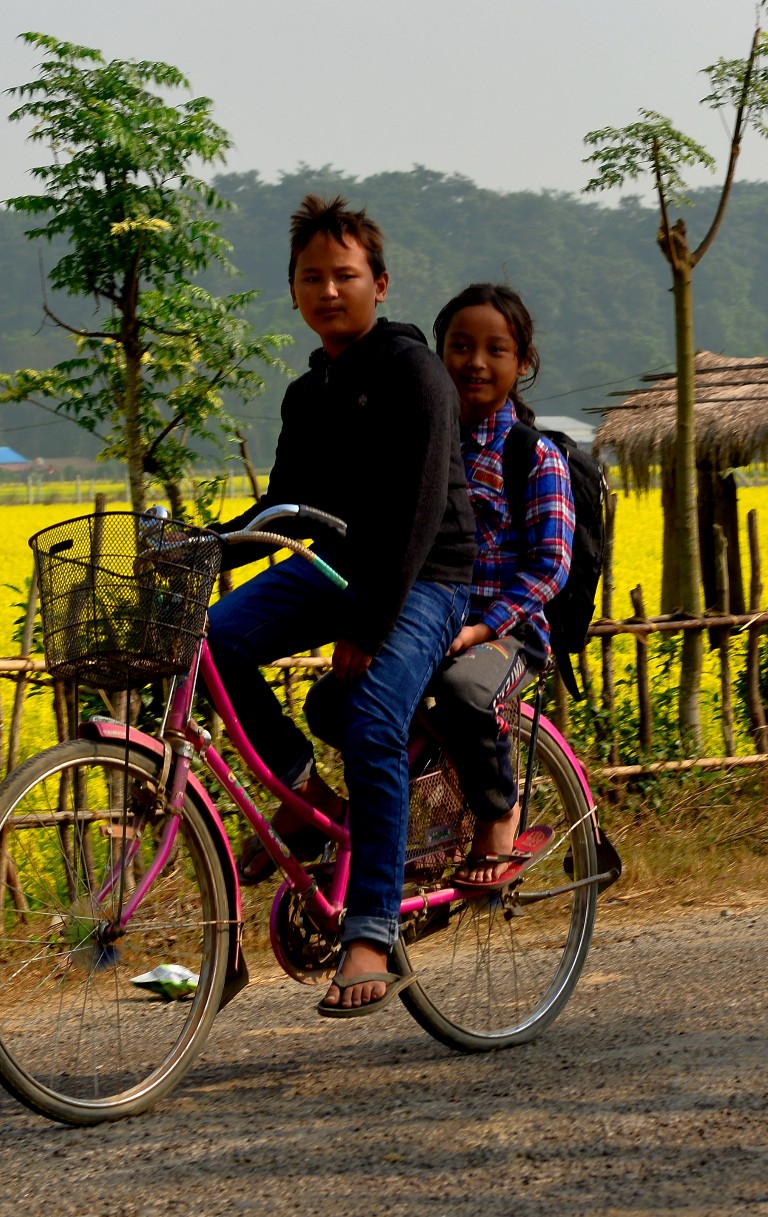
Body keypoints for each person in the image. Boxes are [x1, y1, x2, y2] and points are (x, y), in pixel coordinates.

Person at [208, 195, 475, 1017]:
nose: (329, 290)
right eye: (311, 278)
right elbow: (281, 510)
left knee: (369, 717)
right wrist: (202, 546)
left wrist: (367, 621)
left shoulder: (413, 372)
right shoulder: (308, 393)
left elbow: (420, 508)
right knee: (214, 642)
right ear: (292, 292)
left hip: (423, 573)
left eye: (345, 275)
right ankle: (308, 809)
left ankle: (372, 927)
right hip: (331, 564)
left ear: (380, 284)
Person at [426, 284, 574, 888]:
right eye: (460, 346)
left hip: (506, 633)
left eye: (496, 349)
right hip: (432, 621)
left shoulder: (532, 458)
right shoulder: (427, 450)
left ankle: (498, 808)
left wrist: (483, 627)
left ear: (523, 363)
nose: (475, 362)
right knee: (339, 702)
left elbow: (551, 565)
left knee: (465, 691)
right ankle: (426, 819)